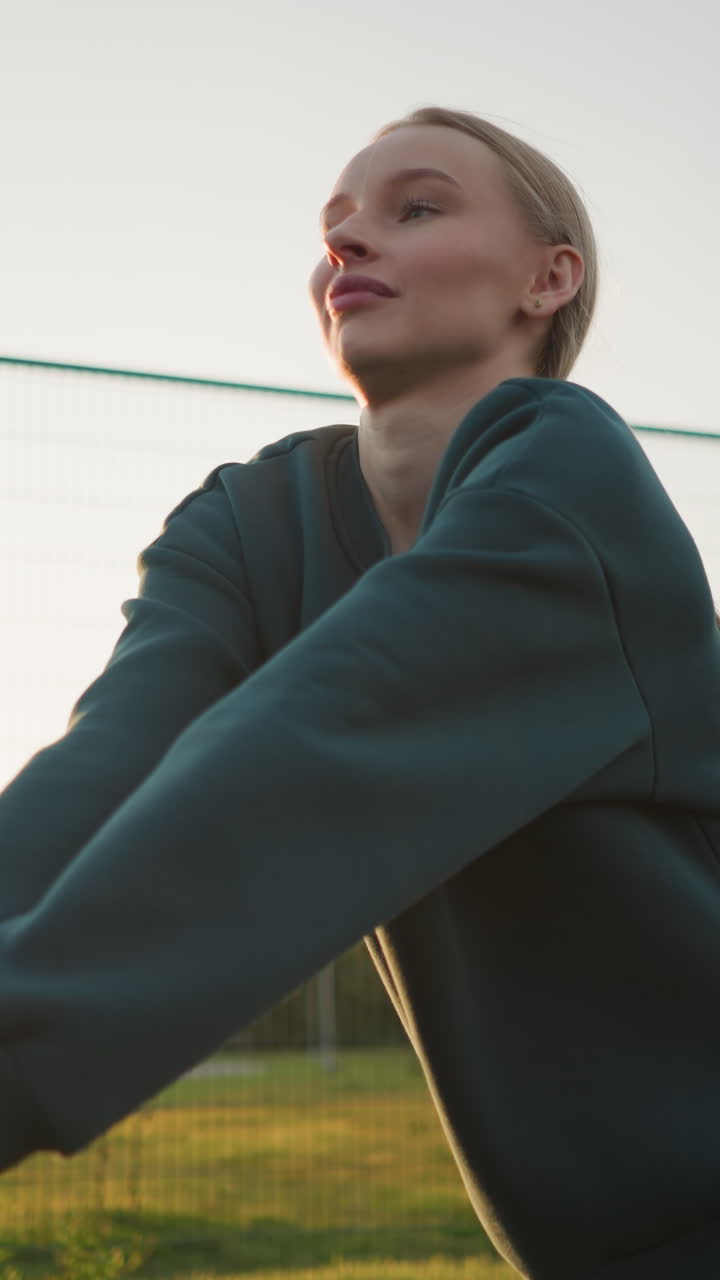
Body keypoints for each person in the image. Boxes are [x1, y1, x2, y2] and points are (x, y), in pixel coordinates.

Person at [1, 104, 719, 1280]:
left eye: (416, 207)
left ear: (547, 279)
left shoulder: (574, 485)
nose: (346, 241)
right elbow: (105, 771)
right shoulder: (251, 522)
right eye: (334, 223)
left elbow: (312, 749)